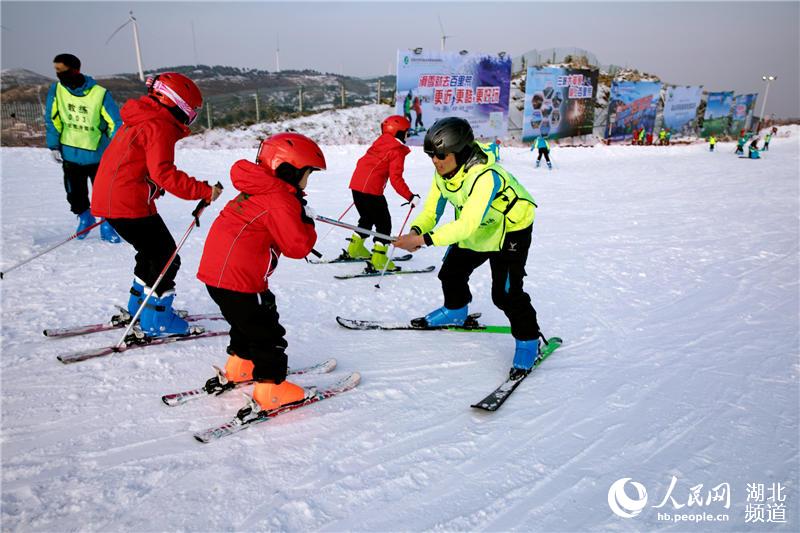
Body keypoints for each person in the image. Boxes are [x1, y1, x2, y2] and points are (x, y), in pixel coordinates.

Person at [394, 117, 544, 378]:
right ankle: (455, 310)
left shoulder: (485, 176)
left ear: (461, 151)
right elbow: (432, 210)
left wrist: (424, 240)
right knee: (450, 273)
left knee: (505, 294)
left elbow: (466, 225)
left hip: (511, 228)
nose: (436, 161)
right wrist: (417, 231)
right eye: (431, 155)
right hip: (481, 226)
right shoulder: (443, 174)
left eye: (441, 155)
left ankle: (530, 340)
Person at [196, 133, 325, 411]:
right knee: (266, 330)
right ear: (288, 170)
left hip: (217, 277)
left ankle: (240, 365)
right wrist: (306, 221)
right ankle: (271, 389)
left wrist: (296, 210)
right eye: (307, 174)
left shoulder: (258, 188)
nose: (307, 181)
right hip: (240, 280)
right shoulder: (279, 198)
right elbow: (297, 246)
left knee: (245, 322)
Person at [91, 72, 223, 336]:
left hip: (112, 199)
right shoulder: (159, 125)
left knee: (151, 253)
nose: (191, 118)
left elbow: (131, 163)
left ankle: (139, 304)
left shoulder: (141, 118)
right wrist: (204, 190)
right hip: (128, 204)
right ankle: (156, 319)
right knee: (165, 257)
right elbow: (165, 173)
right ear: (177, 104)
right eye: (192, 111)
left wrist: (149, 186)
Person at [45, 53, 122, 242]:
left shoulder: (99, 94)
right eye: (57, 70)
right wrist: (53, 145)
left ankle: (107, 223)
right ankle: (85, 217)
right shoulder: (56, 91)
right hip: (70, 154)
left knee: (105, 194)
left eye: (63, 70)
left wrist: (117, 150)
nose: (59, 74)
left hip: (99, 156)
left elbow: (115, 124)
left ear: (76, 69)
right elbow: (53, 120)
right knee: (75, 193)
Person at [343, 115, 417, 271]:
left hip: (356, 186)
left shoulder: (380, 142)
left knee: (367, 218)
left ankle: (355, 249)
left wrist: (362, 185)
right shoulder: (396, 150)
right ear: (398, 132)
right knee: (384, 224)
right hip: (371, 191)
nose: (407, 135)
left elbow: (363, 163)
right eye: (406, 132)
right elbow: (396, 179)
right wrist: (410, 196)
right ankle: (379, 258)